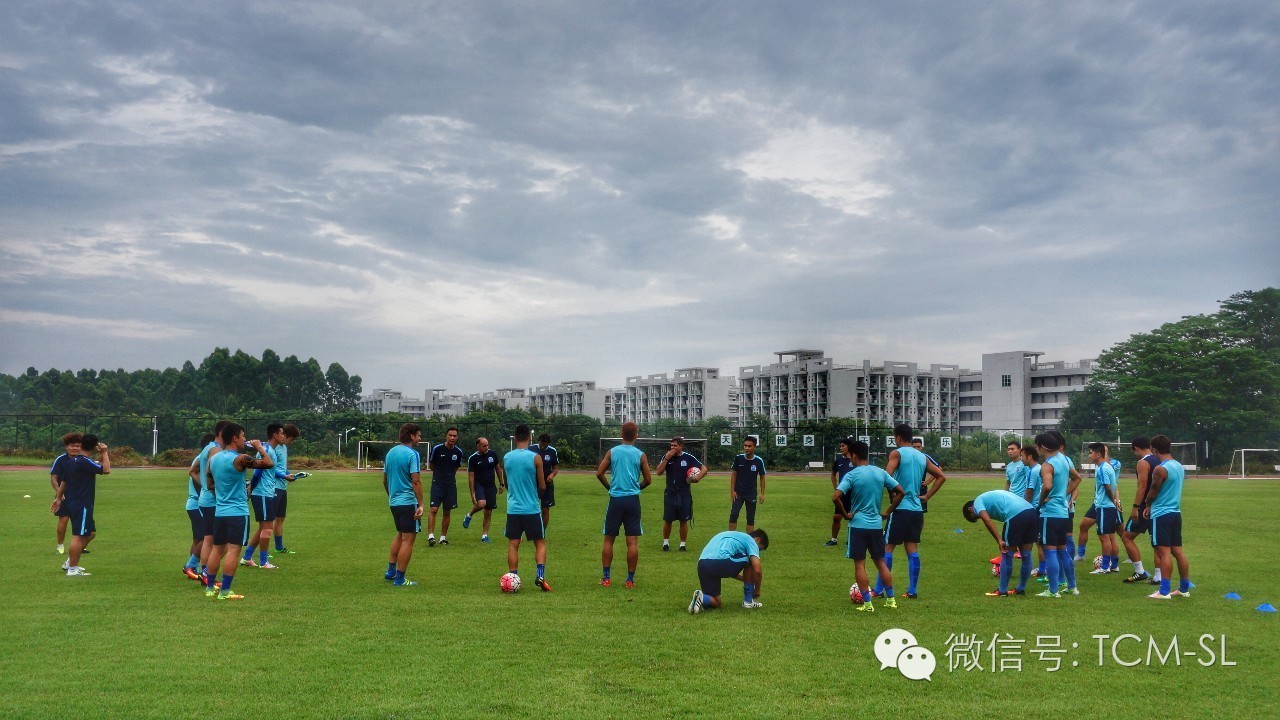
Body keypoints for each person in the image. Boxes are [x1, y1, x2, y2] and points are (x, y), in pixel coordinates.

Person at [204, 424, 274, 600]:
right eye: (242, 436)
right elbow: (268, 463)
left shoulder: (214, 458)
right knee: (234, 551)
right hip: (237, 512)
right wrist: (259, 448)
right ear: (234, 438)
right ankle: (225, 591)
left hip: (220, 511)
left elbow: (210, 483)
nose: (245, 439)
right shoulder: (240, 459)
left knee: (217, 550)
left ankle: (210, 588)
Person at [876, 424, 946, 599]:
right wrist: (927, 496)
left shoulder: (897, 453)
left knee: (888, 547)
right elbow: (942, 476)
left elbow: (886, 476)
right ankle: (912, 590)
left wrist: (892, 494)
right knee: (912, 548)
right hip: (916, 509)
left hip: (901, 508)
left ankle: (878, 590)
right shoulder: (922, 456)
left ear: (898, 438)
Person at [835, 440, 904, 612]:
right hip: (875, 525)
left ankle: (867, 604)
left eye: (850, 455)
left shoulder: (852, 474)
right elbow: (901, 491)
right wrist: (887, 512)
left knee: (860, 565)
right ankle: (891, 600)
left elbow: (836, 496)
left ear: (854, 455)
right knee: (881, 563)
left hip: (858, 525)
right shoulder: (880, 472)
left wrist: (846, 515)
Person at [596, 421, 652, 587]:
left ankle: (606, 578)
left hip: (616, 499)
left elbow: (599, 473)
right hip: (632, 501)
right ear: (636, 435)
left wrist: (610, 487)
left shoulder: (612, 452)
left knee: (609, 540)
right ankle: (629, 580)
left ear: (621, 434)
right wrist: (636, 487)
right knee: (632, 542)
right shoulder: (640, 455)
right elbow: (649, 480)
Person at [1033, 432, 1083, 597]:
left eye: (1037, 446)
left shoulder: (1047, 465)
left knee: (1050, 551)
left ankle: (1053, 590)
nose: (1036, 449)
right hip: (1063, 514)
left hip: (1050, 513)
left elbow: (1046, 486)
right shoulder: (1063, 460)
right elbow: (1077, 478)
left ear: (1042, 447)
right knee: (1063, 550)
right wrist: (1063, 495)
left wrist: (1041, 502)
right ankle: (1072, 587)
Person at [53, 434, 110, 576]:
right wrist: (104, 452)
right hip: (81, 504)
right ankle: (73, 569)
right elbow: (106, 469)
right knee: (78, 536)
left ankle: (70, 562)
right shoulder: (84, 461)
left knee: (91, 533)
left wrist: (58, 498)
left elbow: (64, 482)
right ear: (94, 447)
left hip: (73, 502)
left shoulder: (71, 462)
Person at [964, 490, 1039, 596]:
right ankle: (1020, 589)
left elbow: (987, 520)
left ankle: (1002, 591)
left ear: (970, 508)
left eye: (976, 516)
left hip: (1015, 515)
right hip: (1031, 512)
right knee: (1026, 554)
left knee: (1007, 554)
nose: (979, 516)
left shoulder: (977, 502)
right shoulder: (987, 497)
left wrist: (999, 540)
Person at [503, 424, 551, 591]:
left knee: (513, 543)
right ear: (529, 438)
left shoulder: (507, 457)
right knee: (540, 543)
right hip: (531, 508)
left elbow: (507, 482)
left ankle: (513, 577)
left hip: (513, 509)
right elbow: (543, 485)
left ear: (515, 438)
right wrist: (534, 496)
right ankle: (540, 575)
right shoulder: (536, 458)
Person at [1145, 435, 1192, 599]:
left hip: (1161, 514)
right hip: (1175, 513)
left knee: (1163, 552)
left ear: (1154, 450)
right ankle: (1184, 588)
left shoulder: (1160, 469)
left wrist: (1146, 504)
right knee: (1178, 552)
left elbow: (1153, 491)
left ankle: (1164, 591)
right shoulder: (1179, 466)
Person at [383, 423, 425, 587]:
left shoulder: (390, 453)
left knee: (400, 535)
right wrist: (420, 504)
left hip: (394, 502)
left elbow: (385, 481)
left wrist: (392, 496)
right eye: (418, 435)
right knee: (408, 540)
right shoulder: (412, 454)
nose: (420, 438)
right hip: (408, 502)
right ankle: (399, 579)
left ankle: (391, 571)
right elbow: (415, 480)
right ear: (412, 436)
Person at [688, 529, 769, 614]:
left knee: (717, 603)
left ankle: (701, 597)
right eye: (759, 549)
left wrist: (744, 579)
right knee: (751, 560)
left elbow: (726, 568)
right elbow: (757, 569)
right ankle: (748, 601)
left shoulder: (731, 536)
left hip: (702, 564)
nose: (756, 551)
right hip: (721, 561)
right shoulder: (750, 540)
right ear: (757, 539)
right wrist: (757, 590)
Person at [241, 424, 284, 570]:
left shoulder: (270, 450)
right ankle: (264, 561)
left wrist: (284, 476)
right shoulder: (265, 450)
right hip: (262, 493)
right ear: (275, 435)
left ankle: (247, 557)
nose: (284, 436)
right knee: (267, 528)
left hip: (266, 492)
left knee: (263, 528)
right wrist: (251, 489)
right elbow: (258, 472)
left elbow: (271, 471)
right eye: (282, 434)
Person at [193, 420, 230, 583]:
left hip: (207, 499)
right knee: (216, 540)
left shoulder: (208, 448)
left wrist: (205, 487)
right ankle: (207, 574)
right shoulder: (214, 449)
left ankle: (205, 573)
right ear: (222, 433)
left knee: (210, 538)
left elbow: (193, 471)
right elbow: (214, 474)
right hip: (213, 501)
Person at [655, 436, 705, 552]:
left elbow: (704, 468)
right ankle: (665, 543)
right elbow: (658, 472)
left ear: (681, 446)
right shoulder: (667, 457)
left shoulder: (688, 458)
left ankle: (682, 545)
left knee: (684, 520)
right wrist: (666, 458)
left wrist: (698, 477)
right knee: (668, 519)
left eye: (675, 445)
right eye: (671, 445)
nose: (672, 447)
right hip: (670, 492)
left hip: (684, 493)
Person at [1120, 437, 1158, 584]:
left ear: (1136, 448)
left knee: (1126, 536)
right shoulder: (1159, 460)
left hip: (1144, 507)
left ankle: (1139, 571)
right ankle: (1158, 576)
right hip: (1158, 506)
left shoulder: (1143, 462)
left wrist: (1136, 507)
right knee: (1156, 543)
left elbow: (1142, 487)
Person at [1081, 443, 1122, 574]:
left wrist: (1112, 500)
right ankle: (1114, 565)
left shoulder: (1103, 468)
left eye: (1091, 453)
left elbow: (1108, 487)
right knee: (1110, 537)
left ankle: (1104, 567)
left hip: (1104, 506)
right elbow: (1114, 486)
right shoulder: (1107, 467)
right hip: (1107, 506)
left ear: (1098, 454)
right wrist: (1115, 501)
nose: (1089, 455)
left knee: (1104, 537)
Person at [181, 433, 215, 581]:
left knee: (198, 539)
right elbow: (197, 480)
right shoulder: (202, 459)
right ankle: (192, 566)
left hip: (195, 504)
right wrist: (209, 489)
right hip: (197, 504)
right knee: (205, 537)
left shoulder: (204, 458)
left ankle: (192, 568)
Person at [463, 437, 506, 543]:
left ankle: (484, 535)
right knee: (481, 504)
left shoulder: (492, 454)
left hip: (491, 486)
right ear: (478, 446)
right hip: (479, 485)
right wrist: (472, 493)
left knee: (488, 512)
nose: (487, 448)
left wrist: (501, 483)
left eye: (487, 445)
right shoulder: (473, 458)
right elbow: (471, 477)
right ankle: (469, 515)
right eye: (484, 446)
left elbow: (498, 468)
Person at [426, 428, 465, 547]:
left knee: (447, 512)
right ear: (446, 436)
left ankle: (443, 538)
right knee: (434, 509)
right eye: (450, 435)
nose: (452, 438)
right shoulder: (437, 449)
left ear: (457, 438)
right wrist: (439, 475)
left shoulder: (458, 452)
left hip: (450, 485)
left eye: (455, 436)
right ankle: (431, 536)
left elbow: (456, 468)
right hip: (437, 483)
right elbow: (432, 465)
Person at [271, 423, 301, 555]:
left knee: (280, 518)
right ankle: (263, 551)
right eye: (291, 439)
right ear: (285, 435)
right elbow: (271, 468)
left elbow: (281, 467)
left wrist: (289, 474)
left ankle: (279, 547)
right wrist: (284, 476)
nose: (291, 442)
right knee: (267, 521)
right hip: (273, 487)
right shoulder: (274, 448)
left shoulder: (284, 448)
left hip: (282, 487)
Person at [50, 433, 80, 555]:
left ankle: (79, 545)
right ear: (67, 447)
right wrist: (58, 492)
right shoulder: (61, 460)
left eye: (78, 446)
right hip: (64, 494)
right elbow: (53, 478)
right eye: (73, 446)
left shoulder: (83, 460)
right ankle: (60, 545)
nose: (75, 448)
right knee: (64, 519)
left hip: (80, 494)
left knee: (79, 521)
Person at [728, 437, 766, 532]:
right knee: (734, 514)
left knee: (750, 518)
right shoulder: (738, 458)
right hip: (738, 493)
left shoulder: (758, 461)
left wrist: (762, 493)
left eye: (749, 446)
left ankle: (748, 541)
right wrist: (732, 491)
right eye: (745, 446)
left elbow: (762, 477)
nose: (747, 448)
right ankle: (730, 538)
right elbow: (734, 474)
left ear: (754, 447)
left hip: (751, 494)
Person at [826, 438, 856, 546]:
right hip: (842, 494)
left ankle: (851, 540)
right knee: (837, 517)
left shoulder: (855, 460)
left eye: (843, 446)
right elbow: (833, 474)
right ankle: (833, 540)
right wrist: (836, 488)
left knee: (854, 517)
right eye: (840, 446)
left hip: (854, 494)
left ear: (849, 447)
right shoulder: (839, 461)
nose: (841, 448)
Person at [534, 433, 559, 529]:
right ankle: (529, 530)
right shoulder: (532, 449)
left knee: (545, 509)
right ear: (539, 441)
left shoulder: (552, 451)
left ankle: (542, 532)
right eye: (542, 444)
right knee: (531, 508)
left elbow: (556, 468)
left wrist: (552, 474)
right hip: (533, 483)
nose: (543, 446)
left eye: (546, 444)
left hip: (547, 484)